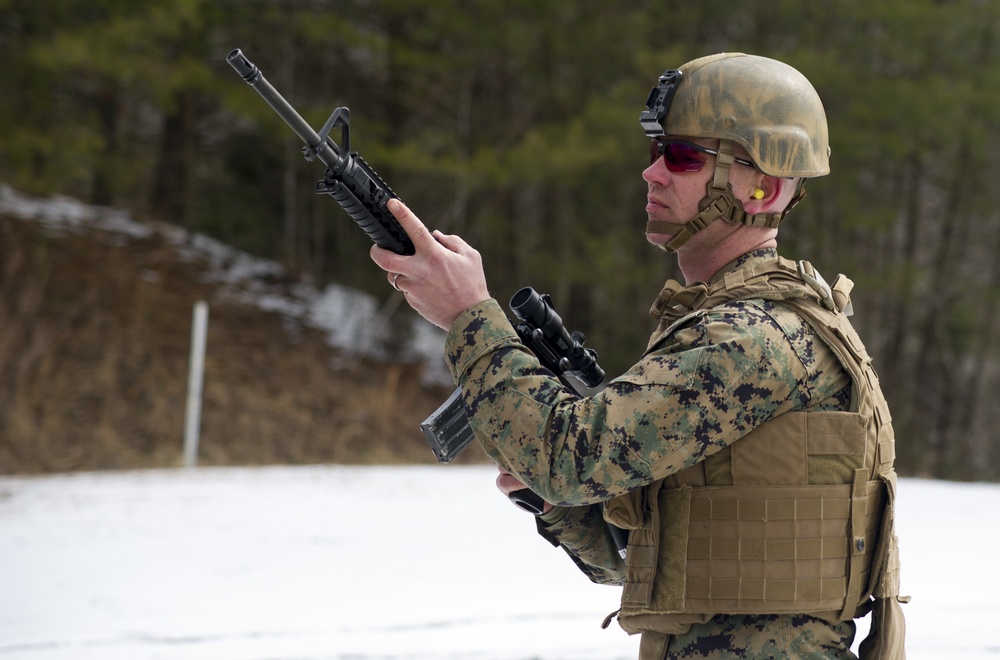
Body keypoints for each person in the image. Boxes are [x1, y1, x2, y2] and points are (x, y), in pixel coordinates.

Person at [371, 52, 906, 659]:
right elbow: (636, 559)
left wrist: (469, 314)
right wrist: (560, 505)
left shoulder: (749, 340)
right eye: (656, 153)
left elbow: (565, 457)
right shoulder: (745, 323)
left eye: (681, 157)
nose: (652, 174)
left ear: (764, 186)